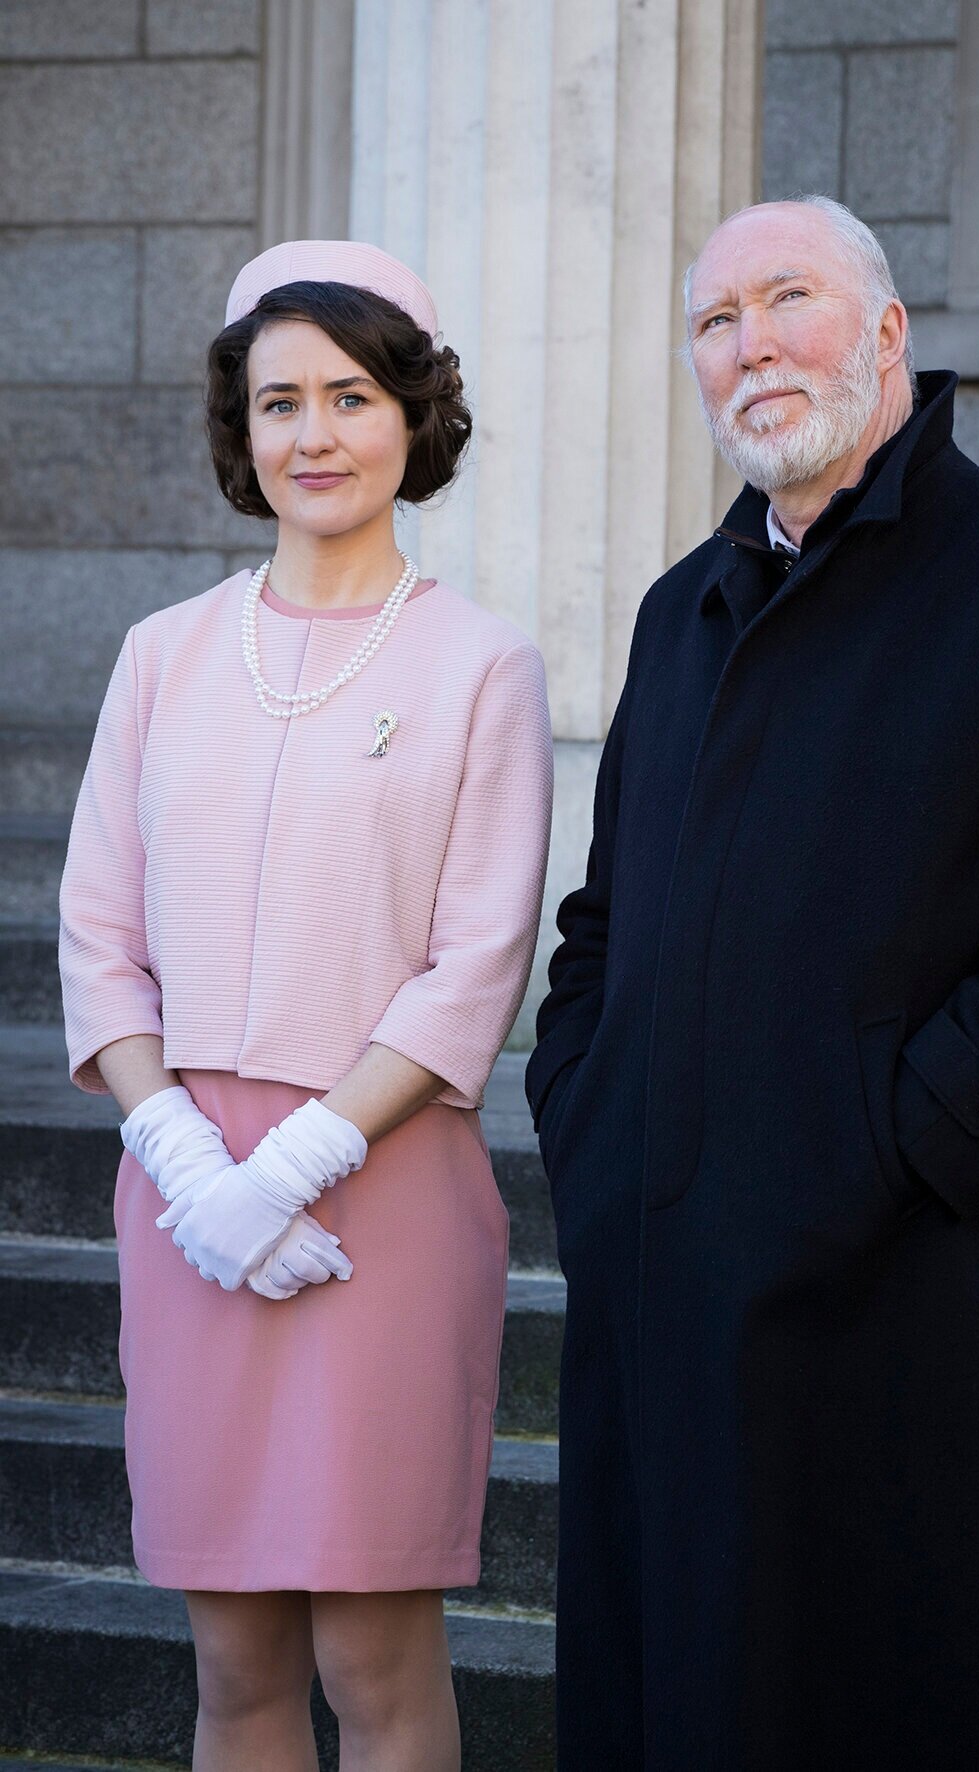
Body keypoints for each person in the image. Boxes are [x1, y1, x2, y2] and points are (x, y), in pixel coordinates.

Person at [526, 195, 979, 1770]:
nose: (748, 346)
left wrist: (904, 1133)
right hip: (678, 1294)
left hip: (925, 1297)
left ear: (886, 335)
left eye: (787, 301)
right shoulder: (678, 609)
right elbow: (607, 912)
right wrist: (586, 1108)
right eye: (712, 320)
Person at [59, 239, 552, 1771]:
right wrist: (192, 1164)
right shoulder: (162, 655)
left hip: (379, 1191)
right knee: (233, 1664)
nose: (315, 435)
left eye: (350, 395)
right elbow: (98, 934)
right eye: (280, 402)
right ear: (240, 428)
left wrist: (299, 1161)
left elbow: (476, 958)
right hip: (181, 1190)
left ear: (412, 414)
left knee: (373, 1656)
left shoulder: (482, 666)